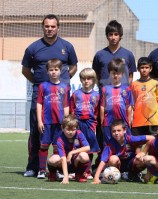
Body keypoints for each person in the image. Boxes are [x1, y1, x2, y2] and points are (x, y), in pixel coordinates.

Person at [22, 14, 78, 177]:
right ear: (43, 27)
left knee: (63, 132)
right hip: (40, 97)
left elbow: (73, 66)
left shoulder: (67, 46)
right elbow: (25, 70)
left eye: (53, 26)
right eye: (47, 26)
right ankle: (33, 167)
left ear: (58, 27)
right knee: (36, 131)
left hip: (60, 99)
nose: (50, 29)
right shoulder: (33, 48)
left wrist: (64, 82)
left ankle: (62, 167)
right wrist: (39, 84)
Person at [91, 119, 155, 184]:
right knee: (113, 159)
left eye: (119, 130)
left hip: (130, 164)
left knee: (143, 159)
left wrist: (143, 152)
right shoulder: (109, 144)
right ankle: (118, 176)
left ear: (124, 130)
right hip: (118, 165)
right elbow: (103, 161)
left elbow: (152, 138)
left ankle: (133, 175)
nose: (116, 133)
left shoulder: (130, 139)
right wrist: (96, 177)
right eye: (114, 131)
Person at [36, 59, 70, 179]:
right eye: (51, 70)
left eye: (56, 69)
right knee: (44, 145)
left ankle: (56, 170)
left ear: (61, 71)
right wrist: (40, 121)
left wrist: (66, 121)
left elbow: (66, 105)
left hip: (60, 123)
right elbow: (39, 104)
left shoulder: (64, 87)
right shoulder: (43, 86)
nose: (54, 72)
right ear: (47, 71)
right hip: (46, 122)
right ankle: (41, 170)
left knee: (58, 147)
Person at [70, 68, 101, 179]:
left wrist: (94, 122)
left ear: (93, 80)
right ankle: (74, 170)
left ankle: (86, 171)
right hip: (78, 124)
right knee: (76, 146)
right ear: (81, 80)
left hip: (90, 124)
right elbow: (72, 109)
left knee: (90, 147)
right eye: (83, 79)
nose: (86, 81)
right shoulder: (76, 94)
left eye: (89, 78)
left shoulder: (97, 95)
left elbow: (97, 111)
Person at [47, 115, 91, 184]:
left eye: (73, 129)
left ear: (76, 128)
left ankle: (79, 174)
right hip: (62, 165)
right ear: (62, 128)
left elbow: (87, 147)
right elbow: (63, 159)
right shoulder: (60, 139)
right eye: (68, 129)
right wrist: (66, 176)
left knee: (84, 156)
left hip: (74, 163)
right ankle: (52, 173)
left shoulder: (79, 134)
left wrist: (71, 153)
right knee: (53, 159)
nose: (71, 132)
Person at [92, 20, 137, 86]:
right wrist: (102, 88)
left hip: (122, 94)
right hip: (105, 94)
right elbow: (96, 74)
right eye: (110, 34)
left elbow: (130, 76)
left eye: (116, 34)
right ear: (107, 36)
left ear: (120, 36)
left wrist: (125, 88)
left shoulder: (128, 55)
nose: (113, 37)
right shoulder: (99, 55)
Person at [100, 58, 134, 144]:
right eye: (113, 73)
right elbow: (102, 107)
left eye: (118, 73)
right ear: (109, 73)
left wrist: (129, 121)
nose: (116, 76)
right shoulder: (105, 89)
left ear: (122, 74)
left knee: (126, 144)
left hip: (123, 121)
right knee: (109, 144)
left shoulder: (127, 89)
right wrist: (102, 121)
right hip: (108, 122)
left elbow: (129, 106)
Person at [131, 57, 158, 136]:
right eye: (142, 68)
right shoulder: (133, 84)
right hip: (138, 120)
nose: (144, 70)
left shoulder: (156, 84)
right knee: (137, 146)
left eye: (146, 67)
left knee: (153, 145)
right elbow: (131, 103)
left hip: (153, 120)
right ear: (138, 69)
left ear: (150, 69)